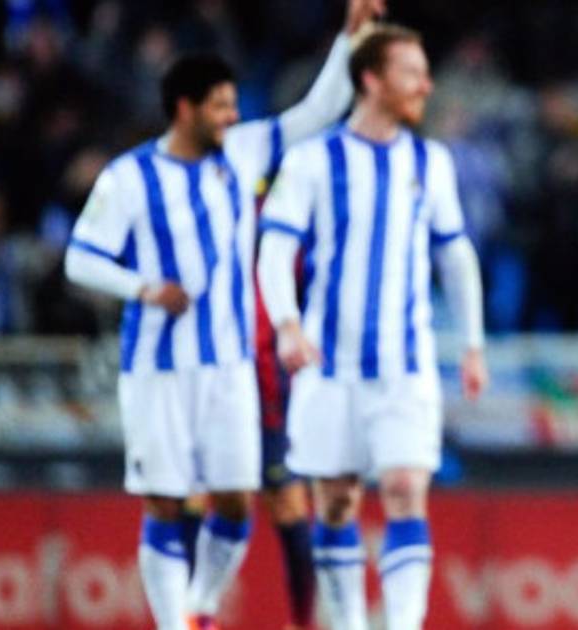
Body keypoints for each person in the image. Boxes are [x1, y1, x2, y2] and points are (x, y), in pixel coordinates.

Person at [62, 2, 376, 628]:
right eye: (221, 107)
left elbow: (317, 112)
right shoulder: (129, 179)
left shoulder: (244, 151)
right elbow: (80, 260)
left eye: (234, 106)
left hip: (230, 368)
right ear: (185, 109)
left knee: (234, 502)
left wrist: (350, 40)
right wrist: (144, 288)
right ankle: (175, 624)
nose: (234, 117)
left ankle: (200, 604)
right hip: (157, 369)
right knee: (165, 502)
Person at [256, 24, 487, 630]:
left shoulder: (430, 162)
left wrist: (472, 344)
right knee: (335, 501)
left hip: (403, 367)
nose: (426, 86)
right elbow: (274, 249)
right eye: (412, 73)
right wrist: (286, 324)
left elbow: (455, 256)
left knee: (407, 488)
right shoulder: (312, 161)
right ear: (371, 80)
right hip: (327, 365)